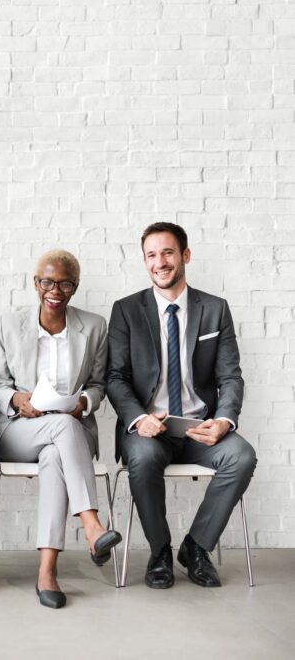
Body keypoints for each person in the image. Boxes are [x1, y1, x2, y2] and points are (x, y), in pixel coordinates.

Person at [106, 222, 257, 589]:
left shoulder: (215, 309)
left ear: (185, 255)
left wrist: (224, 420)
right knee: (141, 458)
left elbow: (230, 377)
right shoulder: (126, 310)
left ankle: (196, 547)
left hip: (198, 428)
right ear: (144, 262)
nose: (161, 262)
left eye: (168, 252)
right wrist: (138, 418)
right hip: (150, 430)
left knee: (242, 456)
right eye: (152, 255)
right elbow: (115, 377)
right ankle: (160, 551)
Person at [0, 249, 122, 609]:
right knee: (60, 429)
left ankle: (47, 571)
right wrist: (17, 399)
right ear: (36, 283)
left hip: (68, 434)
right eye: (47, 281)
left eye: (64, 283)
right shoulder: (9, 323)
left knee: (54, 456)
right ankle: (93, 526)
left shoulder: (93, 327)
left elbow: (98, 384)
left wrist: (84, 403)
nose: (55, 289)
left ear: (75, 287)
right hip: (19, 431)